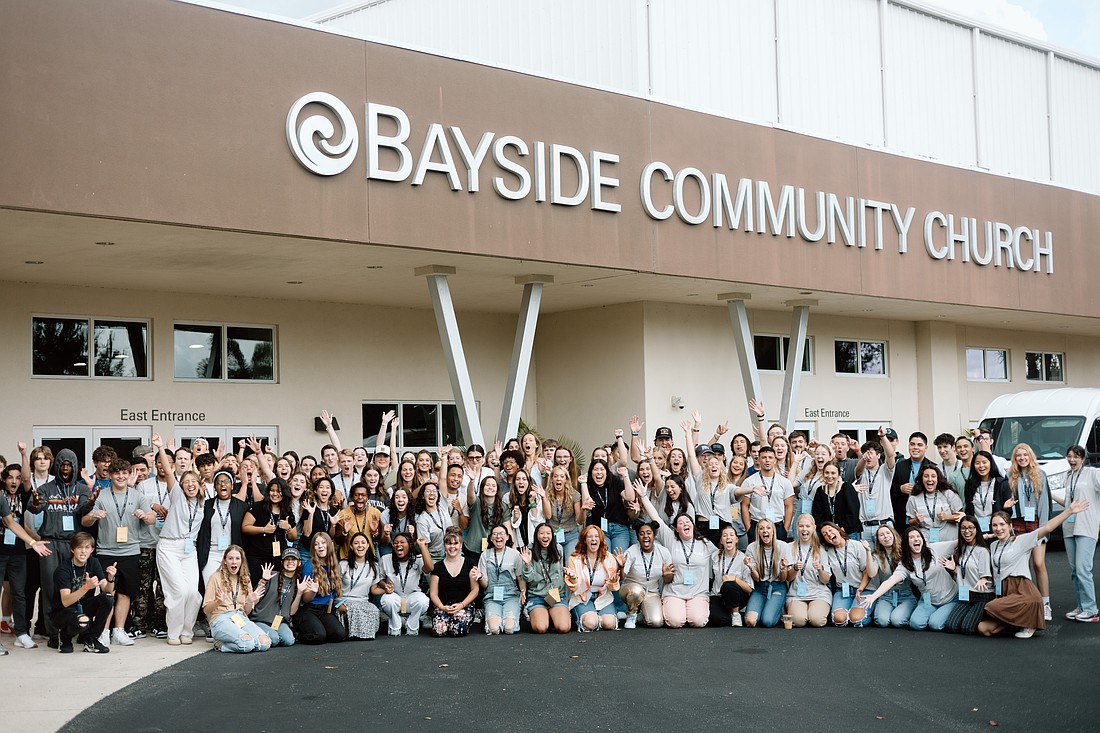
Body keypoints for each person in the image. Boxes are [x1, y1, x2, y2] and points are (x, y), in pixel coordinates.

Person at [980, 500, 1087, 639]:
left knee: (990, 607)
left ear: (1010, 526)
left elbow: (1047, 528)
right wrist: (987, 536)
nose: (998, 528)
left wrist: (1069, 511)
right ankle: (1019, 621)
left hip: (1022, 591)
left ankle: (1030, 619)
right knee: (983, 629)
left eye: (1002, 524)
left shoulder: (1021, 541)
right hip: (1004, 592)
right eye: (994, 525)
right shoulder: (993, 545)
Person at [82, 458, 155, 647]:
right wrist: (93, 516)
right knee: (108, 592)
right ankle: (104, 632)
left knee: (125, 593)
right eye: (117, 473)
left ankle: (119, 631)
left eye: (124, 473)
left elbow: (152, 519)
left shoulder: (138, 495)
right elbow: (85, 522)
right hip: (106, 550)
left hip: (131, 551)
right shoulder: (103, 495)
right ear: (111, 475)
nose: (121, 476)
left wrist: (145, 516)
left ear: (130, 474)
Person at [27, 447, 93, 648]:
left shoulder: (81, 489)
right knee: (50, 588)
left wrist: (91, 501)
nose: (65, 468)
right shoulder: (47, 488)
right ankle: (51, 631)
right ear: (57, 466)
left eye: (69, 465)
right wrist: (36, 502)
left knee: (76, 586)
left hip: (73, 544)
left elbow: (83, 509)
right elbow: (33, 507)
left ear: (75, 467)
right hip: (50, 544)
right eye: (62, 464)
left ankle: (73, 627)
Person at [150, 436, 203, 646]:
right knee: (178, 592)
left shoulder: (202, 503)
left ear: (199, 485)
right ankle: (174, 633)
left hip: (189, 549)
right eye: (186, 482)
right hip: (169, 547)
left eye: (194, 482)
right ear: (181, 486)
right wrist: (162, 448)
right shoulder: (178, 496)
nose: (190, 485)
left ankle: (187, 632)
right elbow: (169, 471)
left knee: (193, 593)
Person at [858, 526, 957, 631]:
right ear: (906, 543)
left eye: (918, 536)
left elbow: (957, 542)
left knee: (934, 624)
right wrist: (873, 596)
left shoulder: (934, 549)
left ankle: (943, 614)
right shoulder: (905, 564)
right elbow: (891, 581)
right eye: (911, 537)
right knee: (916, 624)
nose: (916, 539)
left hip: (950, 598)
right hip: (929, 601)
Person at [635, 492, 711, 628]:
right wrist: (643, 496)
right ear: (676, 529)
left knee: (698, 621)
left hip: (697, 593)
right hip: (675, 592)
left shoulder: (705, 543)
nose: (685, 524)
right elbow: (655, 517)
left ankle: (692, 610)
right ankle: (677, 609)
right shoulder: (671, 539)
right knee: (675, 622)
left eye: (688, 521)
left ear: (693, 525)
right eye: (681, 523)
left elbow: (723, 553)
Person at [0, 464, 52, 652]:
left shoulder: (22, 495)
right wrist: (32, 542)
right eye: (9, 477)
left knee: (20, 592)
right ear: (4, 479)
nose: (14, 481)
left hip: (18, 551)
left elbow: (14, 523)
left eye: (17, 478)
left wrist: (32, 542)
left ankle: (21, 633)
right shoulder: (0, 495)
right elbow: (8, 521)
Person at [1005, 443, 1054, 621]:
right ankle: (1027, 603)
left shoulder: (1040, 475)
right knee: (1020, 566)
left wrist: (1043, 528)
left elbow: (1044, 503)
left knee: (1038, 564)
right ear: (1015, 458)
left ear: (1030, 456)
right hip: (1017, 523)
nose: (1022, 458)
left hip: (1035, 522)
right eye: (1019, 455)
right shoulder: (1010, 475)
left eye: (1025, 455)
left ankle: (1045, 603)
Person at [50, 532, 112, 654]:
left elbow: (107, 589)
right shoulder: (63, 569)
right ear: (72, 549)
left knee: (108, 598)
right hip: (63, 611)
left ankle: (92, 639)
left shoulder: (93, 562)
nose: (83, 551)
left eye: (87, 547)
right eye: (79, 547)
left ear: (92, 550)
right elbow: (66, 601)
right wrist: (86, 587)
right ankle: (64, 637)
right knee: (82, 620)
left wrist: (110, 579)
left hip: (83, 606)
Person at [202, 544, 271, 653]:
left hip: (240, 617)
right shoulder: (215, 577)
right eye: (230, 558)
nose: (234, 562)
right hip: (221, 618)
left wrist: (250, 601)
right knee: (246, 644)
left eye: (237, 558)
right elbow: (206, 610)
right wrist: (218, 601)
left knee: (265, 643)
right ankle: (220, 645)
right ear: (225, 561)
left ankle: (237, 640)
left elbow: (247, 612)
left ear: (241, 561)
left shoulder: (245, 579)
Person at [1058, 445, 1100, 622]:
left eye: (1076, 457)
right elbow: (1069, 503)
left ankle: (1091, 609)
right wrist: (1049, 495)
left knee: (1083, 569)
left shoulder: (1093, 473)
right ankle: (1081, 606)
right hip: (1069, 527)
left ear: (1083, 458)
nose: (1072, 460)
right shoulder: (1069, 476)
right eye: (1069, 456)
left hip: (1087, 526)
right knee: (1075, 571)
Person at [942, 516, 994, 634]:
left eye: (971, 527)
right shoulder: (962, 548)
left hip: (982, 596)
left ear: (977, 529)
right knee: (951, 625)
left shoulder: (982, 551)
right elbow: (965, 572)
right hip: (966, 594)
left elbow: (985, 576)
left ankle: (986, 614)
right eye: (963, 528)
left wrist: (983, 578)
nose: (967, 531)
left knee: (967, 628)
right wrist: (955, 569)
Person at [564, 524, 620, 632]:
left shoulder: (609, 558)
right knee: (590, 623)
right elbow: (573, 588)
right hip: (582, 597)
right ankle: (590, 617)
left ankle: (599, 617)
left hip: (603, 597)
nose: (593, 539)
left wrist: (613, 581)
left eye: (596, 536)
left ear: (601, 540)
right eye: (590, 536)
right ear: (584, 540)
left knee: (609, 623)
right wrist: (573, 578)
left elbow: (613, 587)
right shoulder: (574, 559)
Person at [857, 525, 916, 628]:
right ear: (878, 540)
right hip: (886, 595)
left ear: (893, 535)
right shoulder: (876, 555)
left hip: (905, 594)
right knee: (882, 621)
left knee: (897, 621)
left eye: (888, 533)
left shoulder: (905, 552)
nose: (885, 536)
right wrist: (868, 551)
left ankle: (909, 613)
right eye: (881, 535)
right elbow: (871, 574)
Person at [241, 478, 298, 581]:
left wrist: (288, 528)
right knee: (257, 586)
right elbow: (245, 527)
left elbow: (293, 537)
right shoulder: (258, 507)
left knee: (275, 588)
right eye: (272, 490)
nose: (275, 494)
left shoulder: (286, 511)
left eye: (279, 491)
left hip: (278, 557)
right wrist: (263, 529)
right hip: (257, 556)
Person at [295, 532, 347, 645]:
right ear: (313, 548)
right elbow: (306, 599)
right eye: (316, 544)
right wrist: (313, 591)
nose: (320, 546)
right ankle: (299, 633)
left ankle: (319, 628)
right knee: (318, 636)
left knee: (339, 634)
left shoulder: (334, 565)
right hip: (310, 608)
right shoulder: (309, 566)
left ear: (329, 545)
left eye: (323, 543)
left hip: (326, 610)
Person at [196, 470, 247, 586]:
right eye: (219, 482)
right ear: (214, 487)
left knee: (230, 589)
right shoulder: (206, 505)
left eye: (226, 481)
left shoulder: (242, 507)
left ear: (232, 485)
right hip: (211, 553)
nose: (223, 485)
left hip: (232, 555)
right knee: (211, 586)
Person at [617, 522, 671, 629]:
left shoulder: (663, 552)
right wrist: (621, 566)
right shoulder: (632, 550)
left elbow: (669, 580)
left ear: (654, 536)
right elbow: (622, 577)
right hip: (631, 589)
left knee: (656, 622)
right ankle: (631, 614)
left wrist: (666, 575)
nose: (645, 536)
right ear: (638, 537)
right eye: (641, 534)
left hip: (651, 592)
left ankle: (642, 615)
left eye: (648, 533)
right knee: (637, 591)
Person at [379, 532, 434, 636]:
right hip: (394, 597)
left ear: (409, 545)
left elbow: (430, 568)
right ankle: (395, 625)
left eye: (402, 542)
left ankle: (412, 626)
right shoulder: (385, 559)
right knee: (387, 600)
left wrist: (422, 547)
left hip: (412, 597)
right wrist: (385, 586)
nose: (398, 545)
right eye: (395, 543)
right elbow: (380, 579)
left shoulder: (417, 559)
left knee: (423, 600)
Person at [430, 527, 481, 637]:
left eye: (455, 543)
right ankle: (446, 620)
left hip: (464, 604)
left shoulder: (469, 563)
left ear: (461, 545)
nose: (452, 547)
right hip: (443, 605)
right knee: (439, 630)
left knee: (457, 629)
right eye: (449, 544)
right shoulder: (437, 567)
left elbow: (475, 590)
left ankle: (466, 619)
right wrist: (441, 607)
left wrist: (462, 605)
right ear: (444, 546)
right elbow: (433, 593)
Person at [819, 522, 870, 627]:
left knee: (856, 619)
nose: (828, 534)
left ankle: (865, 612)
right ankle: (850, 610)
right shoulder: (828, 551)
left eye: (830, 530)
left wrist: (860, 589)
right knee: (839, 620)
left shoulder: (856, 545)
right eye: (824, 534)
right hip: (842, 590)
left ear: (838, 530)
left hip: (862, 589)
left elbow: (866, 572)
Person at [251, 548, 304, 647]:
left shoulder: (298, 583)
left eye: (293, 559)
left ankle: (266, 636)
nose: (290, 562)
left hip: (280, 622)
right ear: (282, 562)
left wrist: (300, 593)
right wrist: (263, 580)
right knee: (274, 639)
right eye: (287, 559)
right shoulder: (271, 576)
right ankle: (257, 633)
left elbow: (291, 612)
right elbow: (254, 599)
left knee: (288, 640)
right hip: (261, 619)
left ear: (299, 563)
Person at [786, 514, 832, 627]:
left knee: (816, 620)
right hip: (796, 594)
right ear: (797, 528)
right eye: (801, 526)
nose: (804, 529)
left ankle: (813, 610)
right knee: (798, 621)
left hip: (819, 593)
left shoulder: (821, 549)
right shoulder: (789, 547)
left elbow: (825, 580)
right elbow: (787, 578)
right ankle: (799, 611)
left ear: (814, 528)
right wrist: (795, 568)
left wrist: (820, 569)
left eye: (807, 526)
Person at [743, 519, 791, 628]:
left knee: (767, 621)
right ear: (758, 532)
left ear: (773, 531)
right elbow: (757, 579)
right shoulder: (752, 547)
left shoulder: (783, 546)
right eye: (761, 528)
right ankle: (766, 607)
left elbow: (784, 579)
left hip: (777, 586)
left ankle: (777, 608)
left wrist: (783, 568)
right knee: (750, 621)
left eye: (768, 528)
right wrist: (751, 567)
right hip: (760, 587)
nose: (765, 531)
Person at [741, 446, 795, 541]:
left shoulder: (785, 482)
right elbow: (745, 505)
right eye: (764, 457)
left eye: (770, 457)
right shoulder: (749, 481)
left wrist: (785, 529)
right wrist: (748, 528)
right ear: (759, 460)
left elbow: (789, 506)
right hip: (757, 525)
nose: (767, 460)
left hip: (777, 525)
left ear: (775, 460)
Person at [478, 525, 524, 634]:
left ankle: (512, 616)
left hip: (511, 595)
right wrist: (479, 577)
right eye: (495, 534)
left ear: (507, 537)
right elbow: (485, 584)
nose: (498, 536)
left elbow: (520, 577)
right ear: (490, 538)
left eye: (502, 533)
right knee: (494, 629)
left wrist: (523, 591)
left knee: (509, 628)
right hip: (492, 596)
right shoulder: (485, 555)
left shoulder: (515, 554)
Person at [339, 532, 382, 640]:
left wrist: (386, 590)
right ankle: (354, 632)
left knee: (374, 610)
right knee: (353, 608)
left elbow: (373, 590)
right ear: (351, 546)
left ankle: (363, 633)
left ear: (368, 545)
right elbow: (336, 586)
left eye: (363, 543)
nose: (360, 546)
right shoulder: (344, 564)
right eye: (356, 543)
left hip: (363, 600)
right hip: (344, 600)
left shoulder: (374, 566)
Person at [708, 525, 753, 626]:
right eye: (725, 535)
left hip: (737, 596)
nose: (728, 537)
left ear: (736, 540)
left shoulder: (743, 558)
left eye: (731, 535)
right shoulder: (714, 556)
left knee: (728, 585)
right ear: (721, 541)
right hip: (718, 595)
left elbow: (749, 589)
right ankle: (728, 615)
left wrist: (734, 579)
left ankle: (735, 613)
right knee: (716, 620)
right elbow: (710, 578)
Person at [889, 432, 936, 529]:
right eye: (912, 444)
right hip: (903, 519)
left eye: (919, 445)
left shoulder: (933, 467)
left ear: (926, 448)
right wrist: (900, 488)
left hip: (926, 517)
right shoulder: (899, 466)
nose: (915, 447)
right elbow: (890, 491)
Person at [906, 466, 963, 543]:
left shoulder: (948, 493)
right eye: (926, 476)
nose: (930, 479)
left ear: (938, 479)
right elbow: (910, 521)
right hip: (926, 538)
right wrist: (916, 520)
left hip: (950, 537)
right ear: (921, 479)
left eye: (933, 476)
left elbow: (961, 517)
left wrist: (946, 517)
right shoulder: (913, 499)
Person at [811, 462, 862, 539]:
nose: (829, 476)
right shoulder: (820, 491)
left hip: (848, 532)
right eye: (827, 473)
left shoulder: (847, 488)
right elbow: (817, 514)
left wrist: (842, 530)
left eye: (833, 473)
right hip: (828, 535)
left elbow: (853, 512)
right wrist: (826, 531)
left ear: (838, 474)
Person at [963, 451, 1011, 531]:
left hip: (997, 529)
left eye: (984, 462)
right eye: (977, 463)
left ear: (991, 464)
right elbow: (968, 509)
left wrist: (1005, 508)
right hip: (976, 529)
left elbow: (1008, 512)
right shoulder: (969, 485)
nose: (981, 466)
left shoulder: (1001, 483)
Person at [545, 466, 582, 563]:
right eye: (556, 476)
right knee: (557, 564)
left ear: (566, 479)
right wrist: (543, 498)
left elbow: (580, 520)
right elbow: (548, 516)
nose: (558, 479)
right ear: (552, 479)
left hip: (571, 535)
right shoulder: (547, 495)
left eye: (562, 476)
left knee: (570, 562)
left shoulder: (575, 495)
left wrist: (584, 509)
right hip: (553, 535)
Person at [415, 481, 453, 561]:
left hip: (452, 550)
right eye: (428, 491)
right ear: (422, 496)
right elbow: (424, 548)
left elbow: (442, 478)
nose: (431, 493)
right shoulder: (422, 520)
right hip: (435, 556)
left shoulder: (443, 505)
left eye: (434, 491)